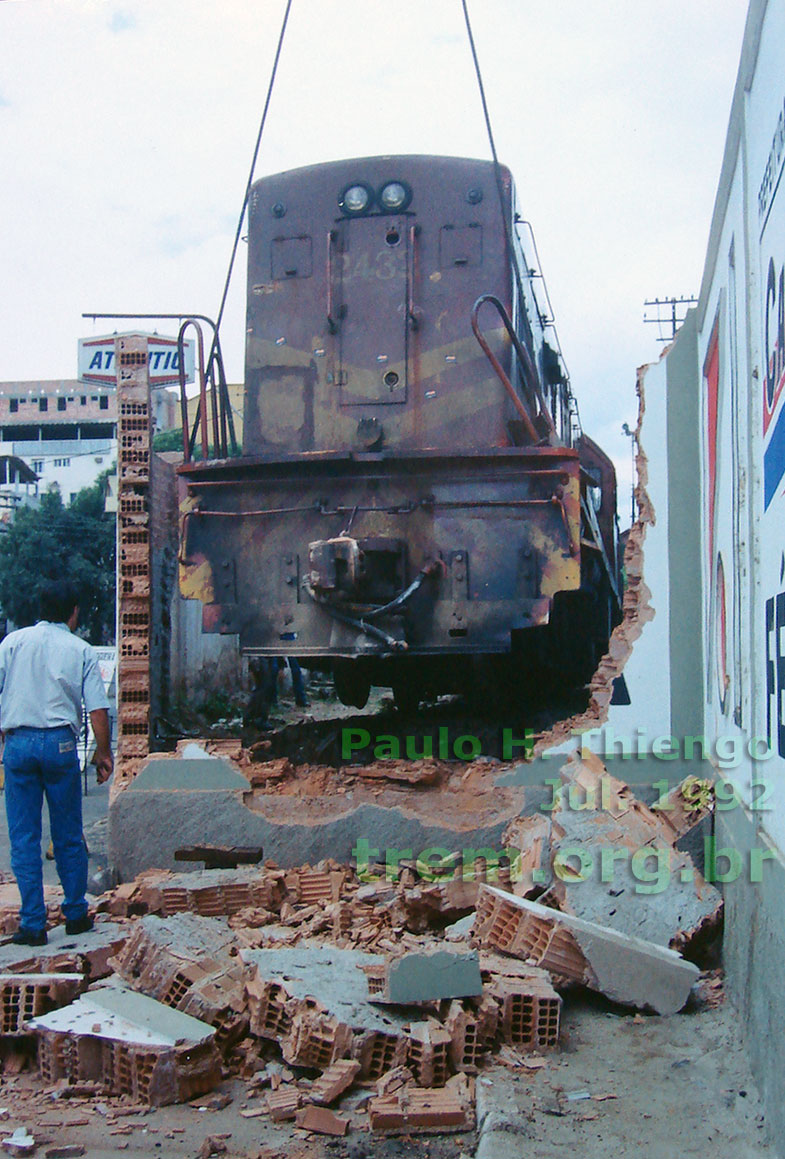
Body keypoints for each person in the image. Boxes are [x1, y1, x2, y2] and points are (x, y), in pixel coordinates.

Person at [0, 580, 113, 946]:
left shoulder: (12, 643)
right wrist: (103, 753)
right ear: (73, 612)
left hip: (17, 744)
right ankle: (76, 913)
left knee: (24, 837)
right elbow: (98, 708)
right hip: (60, 746)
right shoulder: (80, 649)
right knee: (67, 833)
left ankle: (32, 924)